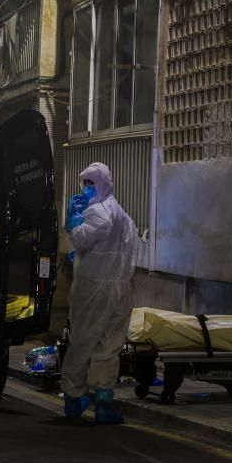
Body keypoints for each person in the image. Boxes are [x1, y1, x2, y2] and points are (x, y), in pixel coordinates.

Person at [61, 162, 138, 425]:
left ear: (102, 184)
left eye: (90, 184)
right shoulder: (122, 215)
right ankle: (104, 401)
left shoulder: (97, 212)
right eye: (84, 183)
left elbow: (83, 238)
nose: (86, 189)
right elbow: (124, 251)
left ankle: (74, 397)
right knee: (110, 345)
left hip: (93, 287)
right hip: (121, 288)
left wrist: (72, 224)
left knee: (82, 340)